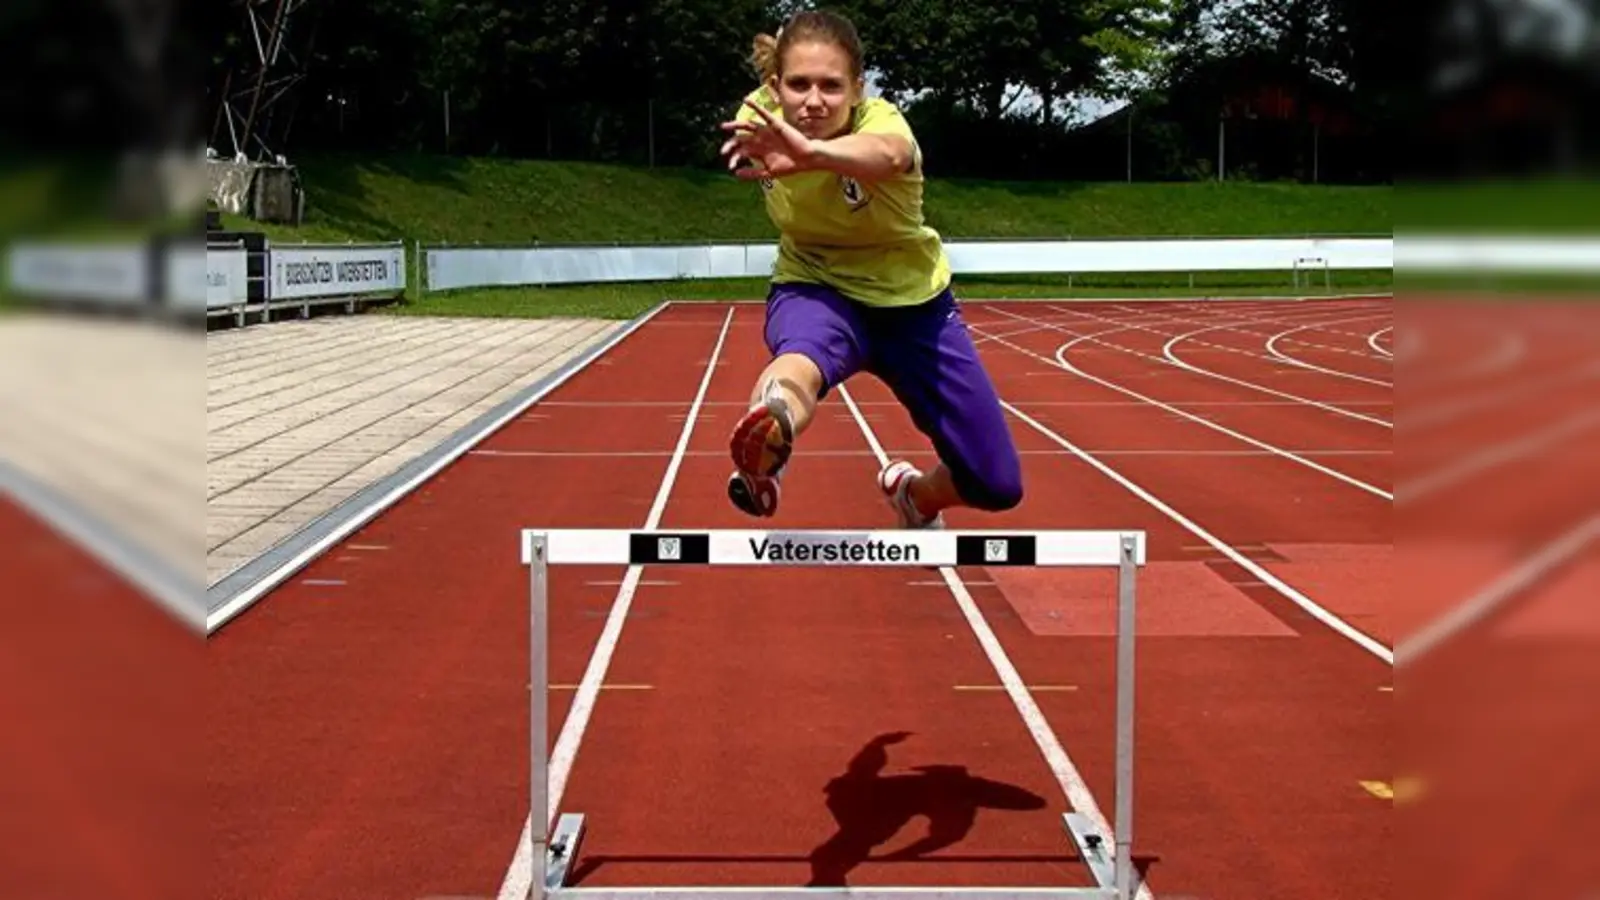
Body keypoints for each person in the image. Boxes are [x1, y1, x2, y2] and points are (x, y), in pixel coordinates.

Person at [719, 9, 1022, 529]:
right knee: (800, 357)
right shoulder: (760, 120)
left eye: (831, 86)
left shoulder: (882, 122)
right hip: (815, 285)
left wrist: (813, 154)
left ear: (858, 89)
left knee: (996, 484)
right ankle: (771, 437)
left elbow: (889, 154)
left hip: (914, 308)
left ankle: (915, 497)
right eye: (799, 84)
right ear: (774, 87)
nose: (814, 101)